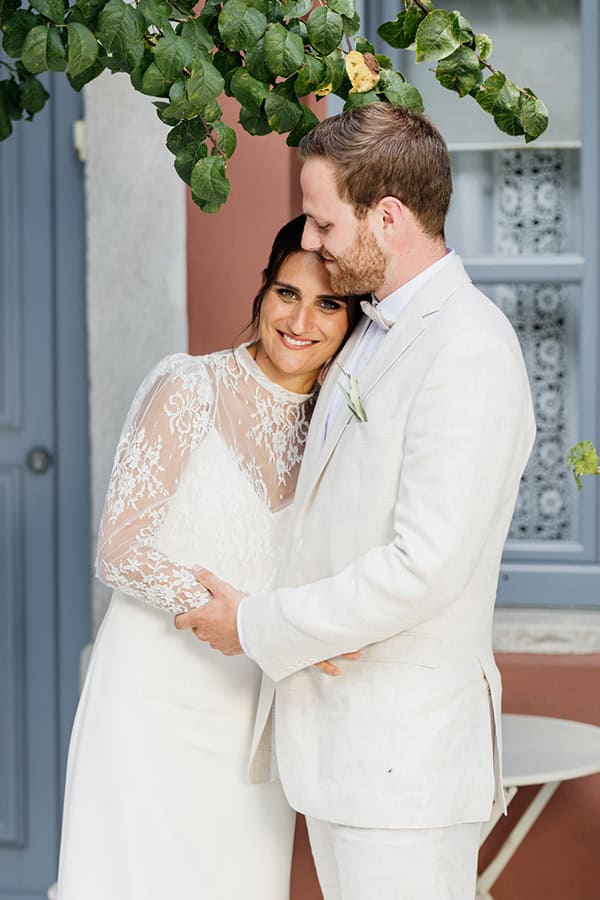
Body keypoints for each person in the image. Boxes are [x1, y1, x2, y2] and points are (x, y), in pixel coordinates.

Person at [175, 104, 537, 900]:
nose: (307, 241)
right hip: (345, 750)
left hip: (403, 761)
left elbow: (423, 566)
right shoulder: (371, 326)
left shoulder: (468, 350)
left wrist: (256, 624)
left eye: (320, 220)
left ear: (389, 216)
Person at [56, 215, 362, 900]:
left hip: (254, 716)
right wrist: (238, 617)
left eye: (328, 304)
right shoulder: (189, 386)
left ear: (352, 320)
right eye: (287, 293)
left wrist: (279, 632)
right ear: (263, 293)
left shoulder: (342, 428)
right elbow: (120, 547)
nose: (301, 320)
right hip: (151, 696)